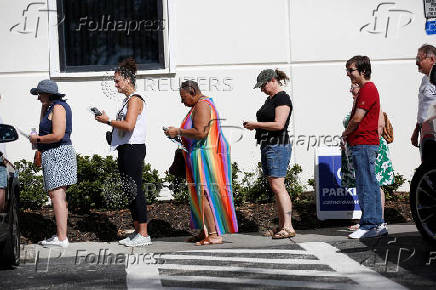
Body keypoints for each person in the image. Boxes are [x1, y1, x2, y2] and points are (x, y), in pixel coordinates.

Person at [164, 80, 238, 245]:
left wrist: (178, 131)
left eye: (183, 97)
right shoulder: (197, 106)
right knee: (199, 193)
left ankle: (213, 234)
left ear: (192, 92)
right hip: (200, 154)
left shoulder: (202, 105)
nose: (182, 101)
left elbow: (201, 132)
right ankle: (204, 230)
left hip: (207, 155)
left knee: (205, 193)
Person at [95, 57, 151, 247]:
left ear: (128, 80)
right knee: (130, 190)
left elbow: (129, 125)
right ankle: (137, 231)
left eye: (117, 80)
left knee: (136, 190)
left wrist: (107, 121)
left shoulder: (135, 100)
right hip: (126, 148)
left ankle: (143, 233)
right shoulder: (127, 100)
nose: (115, 83)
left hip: (134, 149)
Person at [243, 69, 296, 239]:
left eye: (263, 85)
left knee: (278, 186)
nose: (262, 90)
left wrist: (256, 124)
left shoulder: (282, 98)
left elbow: (279, 124)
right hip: (268, 145)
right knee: (275, 187)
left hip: (278, 145)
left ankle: (288, 226)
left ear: (273, 80)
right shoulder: (271, 99)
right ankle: (282, 225)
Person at [342, 56, 387, 239]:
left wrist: (345, 133)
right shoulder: (366, 90)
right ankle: (377, 224)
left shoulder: (368, 88)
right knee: (369, 183)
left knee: (366, 184)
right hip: (363, 143)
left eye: (351, 70)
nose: (348, 74)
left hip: (364, 143)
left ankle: (369, 224)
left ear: (363, 71)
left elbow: (358, 117)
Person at [29, 80, 77, 248]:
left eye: (39, 95)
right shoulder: (50, 107)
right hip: (52, 153)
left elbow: (57, 135)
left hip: (59, 153)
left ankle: (62, 238)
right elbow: (44, 128)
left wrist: (38, 139)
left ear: (48, 94)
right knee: (57, 195)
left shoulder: (58, 107)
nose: (37, 98)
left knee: (57, 195)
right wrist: (40, 145)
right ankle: (60, 235)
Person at [411, 44, 436, 161]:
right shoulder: (425, 79)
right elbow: (423, 107)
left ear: (432, 59)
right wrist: (417, 130)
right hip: (425, 130)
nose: (416, 63)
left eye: (419, 59)